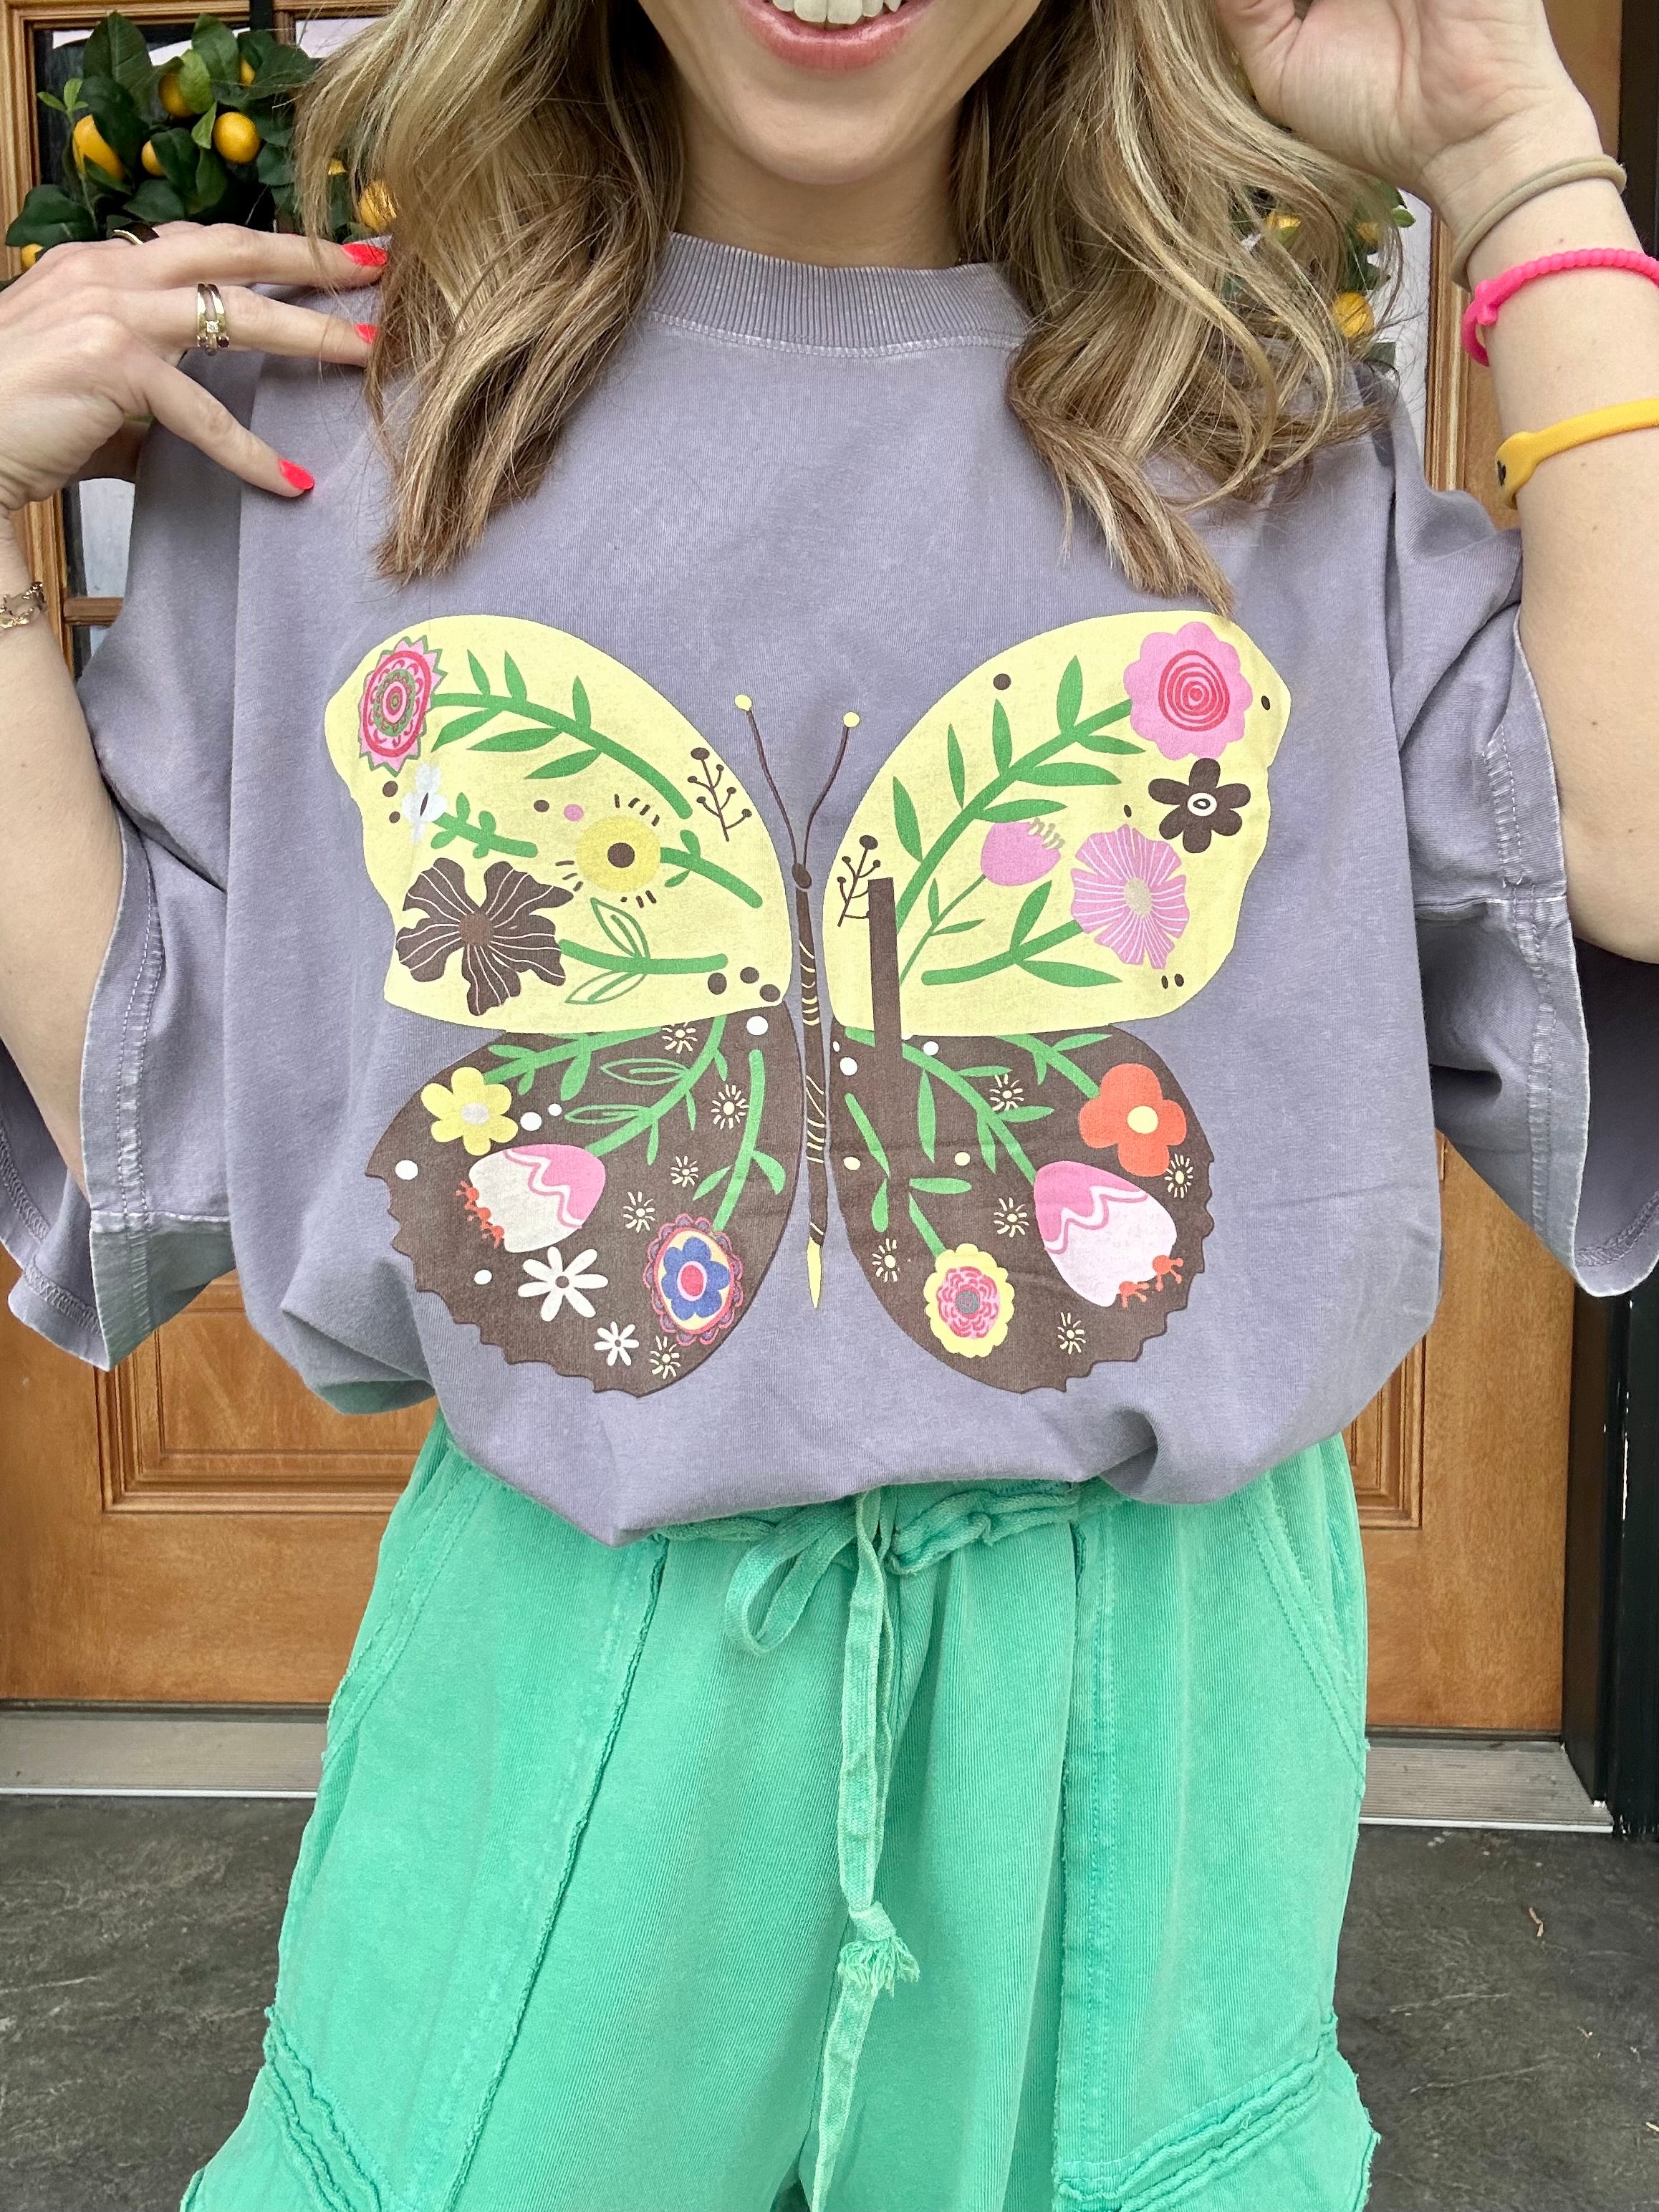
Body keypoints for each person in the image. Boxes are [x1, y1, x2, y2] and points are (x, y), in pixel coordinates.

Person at [1, 0, 1656, 2203]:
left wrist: (1522, 163)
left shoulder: (1257, 440)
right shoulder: (351, 434)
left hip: (1147, 1719)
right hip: (574, 1674)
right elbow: (157, 1093)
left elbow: (1630, 853)